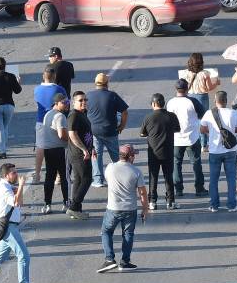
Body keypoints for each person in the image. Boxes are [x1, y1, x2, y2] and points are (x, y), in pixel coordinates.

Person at [99, 144, 148, 273]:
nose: (135, 158)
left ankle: (109, 259)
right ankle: (125, 262)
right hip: (130, 209)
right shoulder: (136, 172)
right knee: (128, 234)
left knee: (106, 231)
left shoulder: (110, 168)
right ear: (130, 156)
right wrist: (145, 209)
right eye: (134, 155)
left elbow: (108, 180)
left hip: (113, 208)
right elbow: (142, 193)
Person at [201, 90, 237, 212]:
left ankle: (214, 205)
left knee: (213, 179)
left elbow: (202, 129)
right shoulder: (233, 113)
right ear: (226, 101)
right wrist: (229, 132)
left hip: (214, 151)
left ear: (215, 100)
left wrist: (212, 132)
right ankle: (232, 205)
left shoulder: (209, 113)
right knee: (231, 179)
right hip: (230, 150)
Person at [87, 72, 129, 188]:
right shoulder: (112, 95)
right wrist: (122, 126)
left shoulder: (89, 96)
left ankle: (98, 180)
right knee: (116, 156)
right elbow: (124, 112)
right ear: (107, 83)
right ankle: (119, 177)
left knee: (96, 155)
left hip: (94, 131)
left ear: (95, 83)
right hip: (110, 131)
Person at [140, 93, 178, 210]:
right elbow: (177, 129)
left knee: (153, 177)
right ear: (163, 103)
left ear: (154, 103)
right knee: (168, 177)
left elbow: (142, 133)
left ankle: (152, 201)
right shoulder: (171, 116)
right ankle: (170, 202)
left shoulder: (148, 117)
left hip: (154, 153)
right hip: (168, 151)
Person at [168, 80, 207, 197]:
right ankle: (199, 188)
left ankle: (178, 189)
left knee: (176, 163)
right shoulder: (192, 101)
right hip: (192, 137)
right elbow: (202, 115)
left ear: (176, 89)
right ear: (187, 89)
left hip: (176, 138)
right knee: (196, 163)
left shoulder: (170, 103)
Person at [32, 67, 66, 184]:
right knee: (56, 147)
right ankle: (58, 176)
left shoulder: (37, 89)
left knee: (40, 147)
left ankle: (37, 175)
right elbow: (65, 102)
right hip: (55, 119)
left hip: (41, 120)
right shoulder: (59, 88)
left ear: (43, 76)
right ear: (54, 76)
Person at [66, 90, 96, 220]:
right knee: (87, 179)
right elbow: (72, 134)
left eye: (85, 100)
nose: (84, 102)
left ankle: (76, 210)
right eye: (80, 100)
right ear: (74, 102)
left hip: (84, 152)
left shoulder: (83, 114)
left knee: (79, 179)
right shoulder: (74, 115)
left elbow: (87, 134)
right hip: (79, 154)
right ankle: (73, 207)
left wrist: (92, 147)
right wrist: (84, 149)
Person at [40, 92, 71, 213]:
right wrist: (72, 139)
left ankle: (47, 204)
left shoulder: (47, 114)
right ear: (56, 103)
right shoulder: (60, 116)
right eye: (64, 103)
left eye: (67, 102)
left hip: (48, 150)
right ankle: (66, 203)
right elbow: (62, 135)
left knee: (49, 177)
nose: (66, 105)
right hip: (60, 150)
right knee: (65, 177)